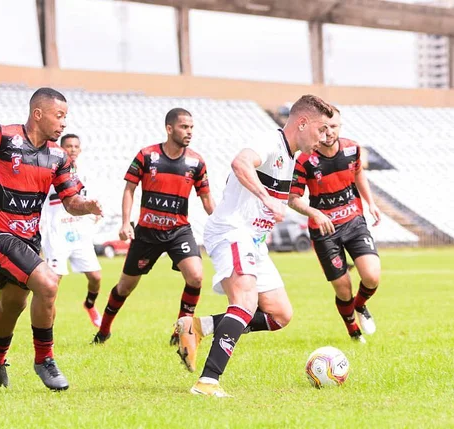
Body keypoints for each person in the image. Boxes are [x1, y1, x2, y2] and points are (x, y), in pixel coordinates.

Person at [175, 94, 334, 397]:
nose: (325, 138)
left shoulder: (290, 158)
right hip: (232, 232)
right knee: (245, 302)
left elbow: (282, 196)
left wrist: (306, 209)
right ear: (303, 123)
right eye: (321, 129)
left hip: (254, 242)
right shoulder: (270, 142)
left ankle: (198, 326)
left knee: (279, 315)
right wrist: (265, 197)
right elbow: (240, 162)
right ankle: (207, 382)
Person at [0, 87, 103, 390]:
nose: (64, 122)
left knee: (13, 303)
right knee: (48, 282)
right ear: (38, 114)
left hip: (28, 238)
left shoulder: (58, 156)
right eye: (59, 115)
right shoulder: (4, 137)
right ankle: (45, 359)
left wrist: (87, 206)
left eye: (66, 116)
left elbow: (70, 200)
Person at [92, 108, 215, 344]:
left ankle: (180, 332)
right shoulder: (147, 156)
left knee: (196, 277)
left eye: (191, 127)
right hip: (147, 233)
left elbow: (207, 200)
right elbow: (129, 188)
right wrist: (125, 222)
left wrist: (223, 224)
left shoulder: (196, 162)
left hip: (179, 231)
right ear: (169, 129)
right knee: (125, 287)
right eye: (183, 127)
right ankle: (104, 330)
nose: (189, 132)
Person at [288, 107, 381, 343]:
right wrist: (315, 213)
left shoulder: (352, 148)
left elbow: (358, 173)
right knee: (342, 287)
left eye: (334, 126)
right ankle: (353, 331)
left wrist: (370, 203)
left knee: (371, 276)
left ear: (340, 126)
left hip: (354, 221)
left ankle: (360, 307)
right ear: (316, 129)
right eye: (324, 127)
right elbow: (293, 198)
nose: (329, 132)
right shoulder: (305, 159)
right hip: (325, 231)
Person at [40, 134, 103, 327]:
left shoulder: (85, 175)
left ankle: (89, 304)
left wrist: (95, 213)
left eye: (76, 146)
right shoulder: (49, 172)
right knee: (53, 284)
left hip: (79, 234)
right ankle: (47, 327)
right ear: (61, 149)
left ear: (80, 149)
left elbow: (91, 199)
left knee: (96, 278)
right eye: (68, 146)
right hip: (57, 234)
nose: (73, 149)